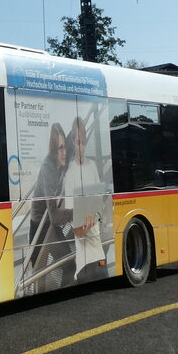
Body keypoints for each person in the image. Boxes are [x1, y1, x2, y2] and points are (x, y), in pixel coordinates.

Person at [25, 122, 73, 293]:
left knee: (68, 263)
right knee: (39, 277)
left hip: (50, 225)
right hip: (41, 227)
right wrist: (76, 213)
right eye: (60, 148)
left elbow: (75, 134)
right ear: (54, 150)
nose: (64, 152)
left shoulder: (62, 161)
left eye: (65, 147)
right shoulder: (48, 166)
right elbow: (53, 216)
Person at [67, 115, 109, 282]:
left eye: (84, 142)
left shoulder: (91, 167)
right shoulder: (69, 174)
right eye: (78, 142)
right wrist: (88, 222)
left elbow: (100, 204)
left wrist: (94, 216)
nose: (82, 147)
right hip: (85, 262)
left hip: (98, 253)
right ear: (72, 142)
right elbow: (76, 229)